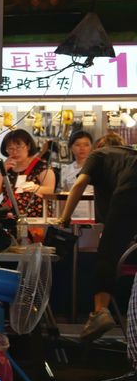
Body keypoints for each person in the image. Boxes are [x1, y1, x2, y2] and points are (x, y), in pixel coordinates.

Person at [58, 141, 137, 341]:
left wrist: (64, 218)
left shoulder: (97, 156)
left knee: (107, 252)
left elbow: (79, 184)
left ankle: (100, 312)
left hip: (132, 186)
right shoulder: (124, 158)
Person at [0, 129, 55, 218]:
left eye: (18, 147)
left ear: (28, 146)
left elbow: (50, 191)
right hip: (10, 220)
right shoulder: (8, 167)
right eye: (10, 148)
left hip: (35, 221)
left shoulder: (41, 167)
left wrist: (35, 188)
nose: (15, 152)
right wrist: (2, 171)